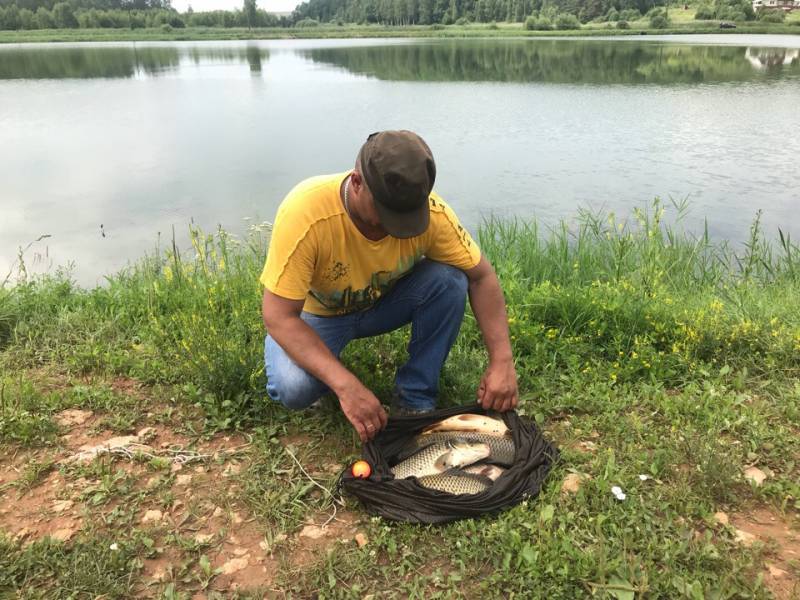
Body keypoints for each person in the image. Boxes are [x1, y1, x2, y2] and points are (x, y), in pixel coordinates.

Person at [260, 130, 518, 442]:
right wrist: (346, 385)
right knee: (294, 388)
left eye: (408, 215)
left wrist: (502, 361)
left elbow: (482, 277)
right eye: (386, 213)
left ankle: (415, 398)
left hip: (383, 306)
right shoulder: (306, 212)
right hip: (318, 318)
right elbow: (278, 316)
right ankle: (324, 371)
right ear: (357, 182)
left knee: (450, 280)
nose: (397, 226)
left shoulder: (434, 215)